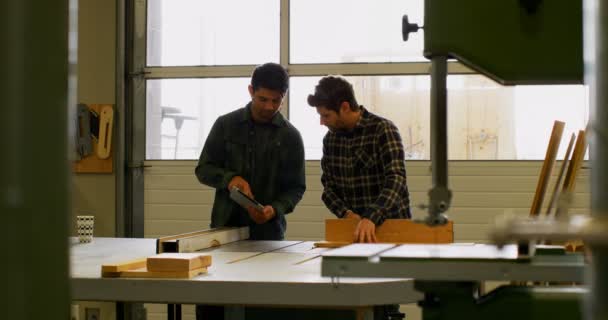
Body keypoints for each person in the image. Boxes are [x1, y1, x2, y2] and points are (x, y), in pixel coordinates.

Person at [195, 62, 306, 240]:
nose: (269, 107)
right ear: (251, 91)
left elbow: (296, 188)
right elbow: (203, 169)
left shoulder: (290, 136)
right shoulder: (225, 125)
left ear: (284, 96)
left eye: (276, 100)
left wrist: (274, 209)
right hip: (224, 230)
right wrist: (230, 179)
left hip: (269, 233)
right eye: (263, 99)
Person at [307, 75, 411, 243]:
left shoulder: (382, 130)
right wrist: (346, 214)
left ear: (345, 107)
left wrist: (371, 217)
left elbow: (396, 179)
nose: (322, 122)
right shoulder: (330, 140)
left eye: (326, 116)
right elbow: (328, 189)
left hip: (393, 229)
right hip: (354, 234)